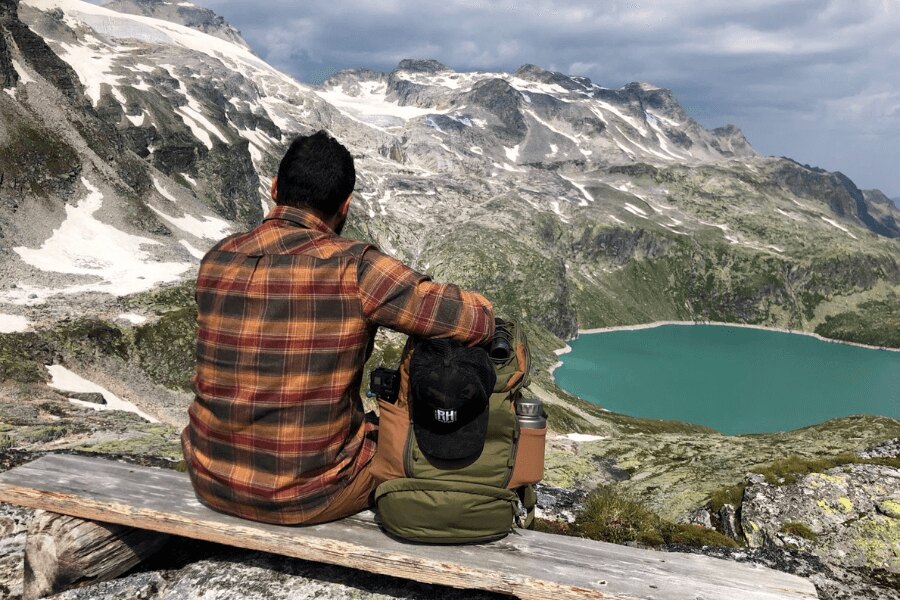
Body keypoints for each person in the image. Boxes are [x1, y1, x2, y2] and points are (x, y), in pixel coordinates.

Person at [181, 130, 495, 526]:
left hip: (208, 477)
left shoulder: (216, 258)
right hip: (309, 496)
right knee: (413, 442)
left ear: (274, 188)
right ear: (344, 206)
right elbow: (476, 321)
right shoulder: (356, 267)